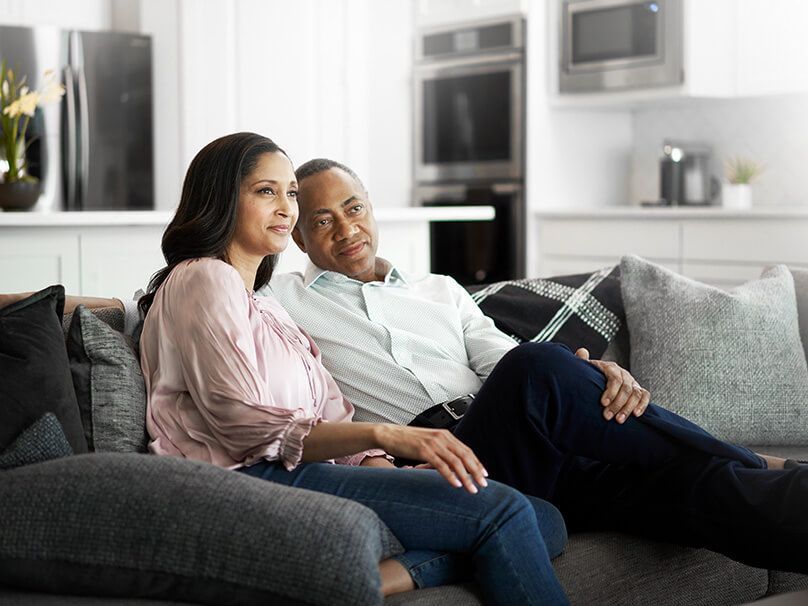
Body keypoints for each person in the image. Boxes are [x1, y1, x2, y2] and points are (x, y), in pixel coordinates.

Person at [263, 157, 808, 574]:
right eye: (322, 220)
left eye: (353, 208)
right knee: (533, 370)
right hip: (437, 456)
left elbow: (500, 359)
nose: (346, 229)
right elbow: (202, 287)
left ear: (371, 208)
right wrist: (546, 375)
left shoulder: (439, 290)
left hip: (528, 440)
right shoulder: (280, 302)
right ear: (299, 236)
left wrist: (592, 376)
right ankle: (754, 457)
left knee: (700, 485)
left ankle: (759, 473)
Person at [134, 132, 570, 605]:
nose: (286, 208)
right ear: (220, 198)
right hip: (246, 479)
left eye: (291, 194)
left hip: (292, 467)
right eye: (266, 192)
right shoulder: (204, 277)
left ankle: (375, 578)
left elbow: (330, 410)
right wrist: (384, 436)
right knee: (502, 511)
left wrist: (381, 468)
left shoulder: (267, 308)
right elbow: (242, 426)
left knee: (543, 516)